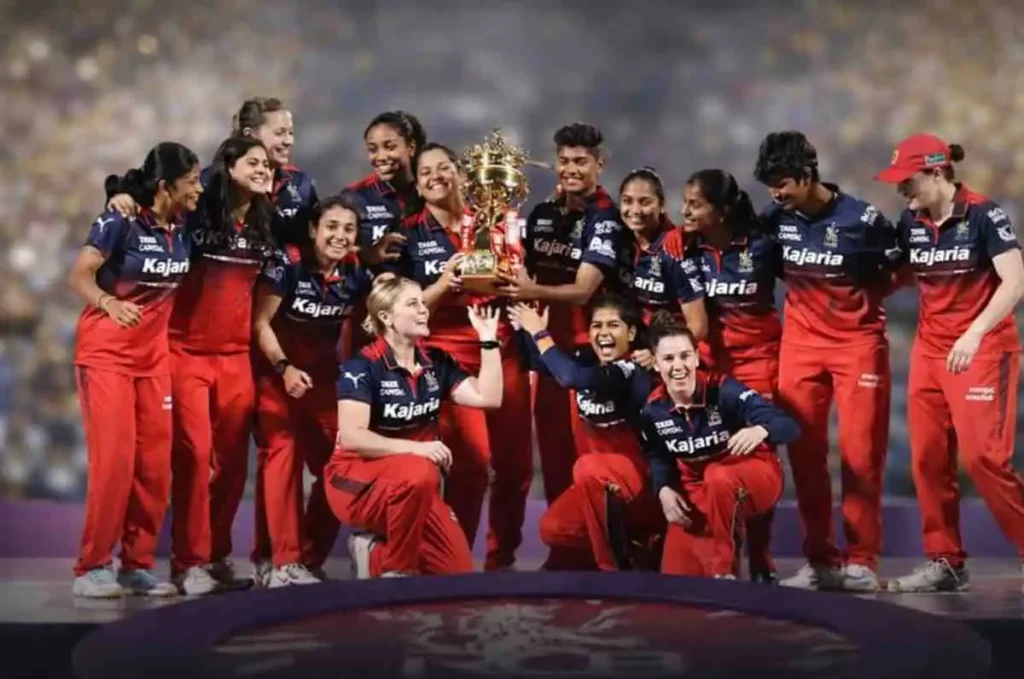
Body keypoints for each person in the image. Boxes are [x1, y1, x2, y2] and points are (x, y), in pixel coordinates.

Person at [875, 134, 1024, 592]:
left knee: (982, 459)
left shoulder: (983, 214)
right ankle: (946, 561)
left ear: (937, 171)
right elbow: (893, 276)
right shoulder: (910, 221)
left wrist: (975, 333)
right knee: (927, 459)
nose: (902, 190)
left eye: (908, 180)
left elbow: (1014, 282)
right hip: (930, 354)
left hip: (983, 350)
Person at [755, 131, 898, 592]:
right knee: (805, 455)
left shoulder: (863, 219)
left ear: (806, 174)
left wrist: (861, 303)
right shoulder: (776, 219)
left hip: (857, 345)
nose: (775, 193)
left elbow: (900, 268)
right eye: (769, 185)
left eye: (781, 182)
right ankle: (821, 562)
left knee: (860, 455)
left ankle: (863, 561)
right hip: (800, 346)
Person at [68, 142, 202, 598]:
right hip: (106, 356)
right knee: (115, 464)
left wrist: (118, 185)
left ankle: (136, 565)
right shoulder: (119, 220)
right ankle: (92, 567)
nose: (199, 189)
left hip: (153, 361)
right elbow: (81, 274)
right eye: (191, 182)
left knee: (153, 467)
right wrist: (109, 302)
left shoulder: (185, 225)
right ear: (166, 186)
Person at [391, 144, 532, 567]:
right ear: (417, 185)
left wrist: (515, 277)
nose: (436, 176)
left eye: (444, 168)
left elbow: (518, 280)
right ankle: (457, 561)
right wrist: (441, 285)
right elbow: (401, 309)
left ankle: (500, 557)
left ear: (461, 173)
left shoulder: (494, 220)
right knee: (473, 462)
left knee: (516, 465)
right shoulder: (409, 234)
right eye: (426, 172)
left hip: (501, 348)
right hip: (446, 355)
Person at [500, 122, 632, 569]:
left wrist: (528, 292)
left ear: (600, 163)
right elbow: (522, 269)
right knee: (555, 457)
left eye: (581, 161)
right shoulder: (542, 213)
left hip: (587, 353)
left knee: (587, 458)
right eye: (565, 161)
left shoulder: (607, 219)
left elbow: (580, 291)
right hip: (545, 351)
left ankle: (606, 551)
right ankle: (568, 548)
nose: (572, 169)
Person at [328, 275, 503, 577]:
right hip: (355, 482)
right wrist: (417, 449)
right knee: (420, 470)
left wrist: (488, 340)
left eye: (423, 303)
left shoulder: (436, 362)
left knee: (456, 572)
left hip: (413, 487)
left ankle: (372, 553)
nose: (424, 310)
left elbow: (489, 397)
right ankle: (397, 573)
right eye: (413, 304)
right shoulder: (362, 366)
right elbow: (354, 437)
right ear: (386, 317)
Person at [165, 136, 275, 595]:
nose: (265, 169)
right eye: (254, 162)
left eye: (267, 164)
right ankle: (187, 562)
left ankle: (214, 556)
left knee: (231, 465)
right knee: (193, 456)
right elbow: (155, 193)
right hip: (185, 353)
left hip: (235, 359)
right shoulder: (196, 212)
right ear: (227, 167)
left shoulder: (266, 226)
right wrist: (120, 191)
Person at [250, 193, 373, 587]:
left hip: (324, 379)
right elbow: (260, 324)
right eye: (332, 227)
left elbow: (376, 319)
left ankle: (309, 556)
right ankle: (283, 562)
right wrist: (284, 368)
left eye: (348, 229)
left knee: (342, 461)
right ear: (313, 230)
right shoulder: (287, 262)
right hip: (276, 374)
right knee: (283, 455)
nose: (339, 235)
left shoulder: (357, 273)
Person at [681, 168, 784, 583]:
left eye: (695, 204)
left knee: (757, 455)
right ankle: (721, 559)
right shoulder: (686, 247)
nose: (684, 211)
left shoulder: (762, 245)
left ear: (721, 211)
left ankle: (762, 556)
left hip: (760, 361)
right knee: (713, 455)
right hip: (708, 362)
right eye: (684, 202)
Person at [639, 313, 799, 578]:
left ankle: (725, 571)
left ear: (697, 358)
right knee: (677, 582)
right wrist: (664, 489)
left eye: (685, 356)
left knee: (719, 476)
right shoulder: (653, 410)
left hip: (756, 476)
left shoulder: (724, 390)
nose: (678, 366)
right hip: (701, 491)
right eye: (668, 359)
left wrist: (762, 429)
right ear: (656, 365)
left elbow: (790, 426)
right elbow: (657, 455)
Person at [510, 296, 665, 571]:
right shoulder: (585, 360)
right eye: (596, 325)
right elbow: (537, 362)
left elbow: (572, 378)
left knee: (588, 468)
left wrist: (540, 333)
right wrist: (522, 328)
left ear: (631, 333)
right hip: (600, 486)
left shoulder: (634, 370)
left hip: (642, 486)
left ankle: (615, 571)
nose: (603, 332)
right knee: (554, 529)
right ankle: (636, 544)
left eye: (613, 325)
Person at [342, 111, 427, 355]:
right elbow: (327, 252)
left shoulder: (431, 190)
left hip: (426, 313)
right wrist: (368, 254)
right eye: (373, 149)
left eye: (389, 147)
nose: (380, 157)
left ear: (411, 147)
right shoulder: (355, 197)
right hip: (370, 318)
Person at [618, 167, 707, 367]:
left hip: (665, 364)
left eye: (645, 201)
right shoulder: (618, 241)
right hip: (629, 355)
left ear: (661, 205)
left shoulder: (675, 251)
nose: (635, 210)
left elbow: (698, 326)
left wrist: (659, 353)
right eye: (627, 201)